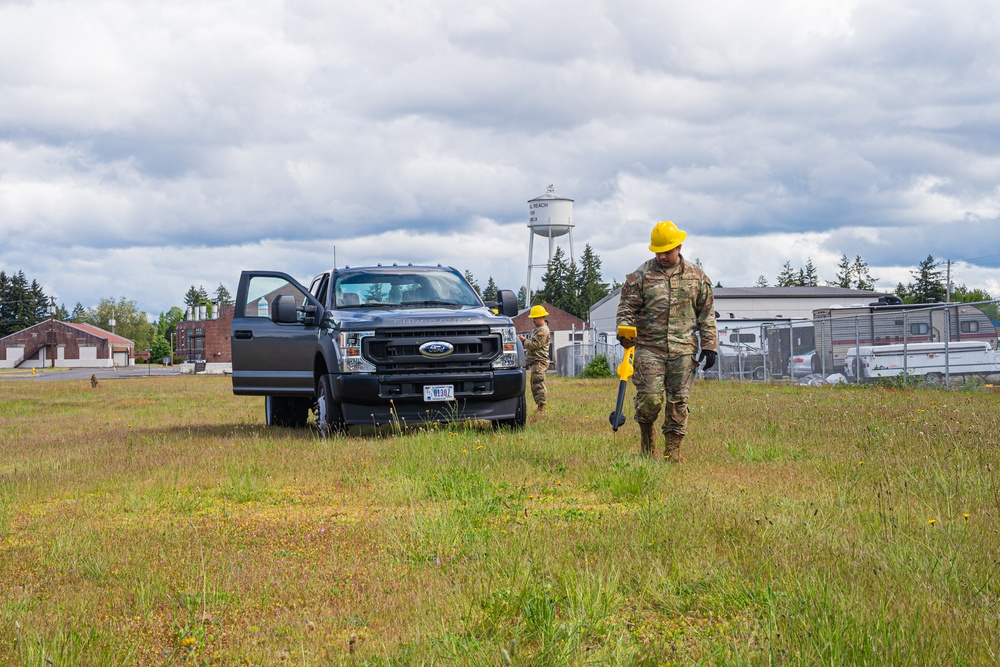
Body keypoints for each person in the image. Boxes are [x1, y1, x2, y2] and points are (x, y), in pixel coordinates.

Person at [616, 220, 718, 461]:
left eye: (667, 251)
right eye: (658, 252)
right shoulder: (640, 276)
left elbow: (707, 313)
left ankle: (673, 451)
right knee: (650, 398)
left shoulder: (697, 277)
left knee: (678, 401)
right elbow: (626, 309)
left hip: (683, 349)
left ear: (679, 247)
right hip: (649, 348)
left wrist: (710, 344)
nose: (662, 256)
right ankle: (646, 437)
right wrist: (625, 329)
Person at [519, 305, 551, 413]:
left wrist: (524, 341)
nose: (533, 320)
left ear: (541, 317)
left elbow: (535, 345)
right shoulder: (537, 329)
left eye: (535, 318)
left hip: (539, 361)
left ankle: (542, 407)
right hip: (535, 361)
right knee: (534, 384)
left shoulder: (542, 331)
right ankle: (539, 406)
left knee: (539, 384)